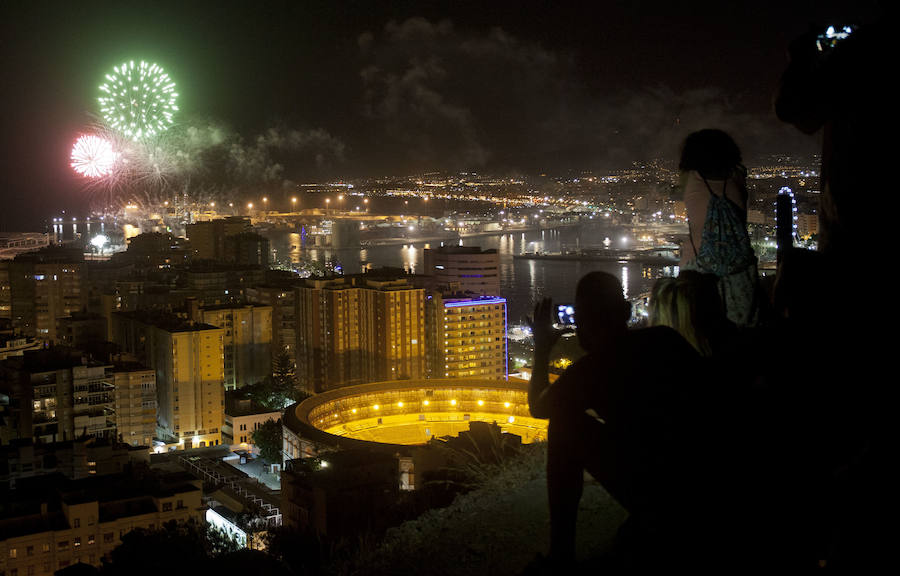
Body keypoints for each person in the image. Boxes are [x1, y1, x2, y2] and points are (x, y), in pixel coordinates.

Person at [529, 272, 711, 570]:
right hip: (705, 482)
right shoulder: (667, 339)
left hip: (662, 495)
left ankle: (561, 555)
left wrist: (541, 351)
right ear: (626, 312)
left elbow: (539, 407)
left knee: (562, 423)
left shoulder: (591, 369)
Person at [677, 129, 761, 327]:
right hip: (739, 269)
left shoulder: (691, 181)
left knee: (697, 335)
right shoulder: (737, 179)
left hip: (697, 267)